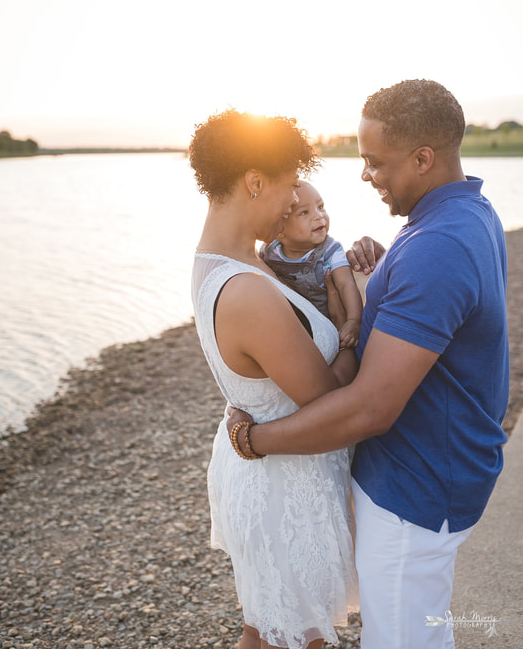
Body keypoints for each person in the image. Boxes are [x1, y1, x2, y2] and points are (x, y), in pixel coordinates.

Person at [227, 80, 510, 649]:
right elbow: (439, 306)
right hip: (437, 466)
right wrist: (383, 273)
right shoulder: (466, 214)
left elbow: (373, 407)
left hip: (419, 485)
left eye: (374, 162)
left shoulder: (438, 246)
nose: (365, 176)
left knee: (403, 639)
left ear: (423, 158)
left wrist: (257, 440)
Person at [189, 109, 359, 649]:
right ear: (255, 181)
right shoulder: (247, 289)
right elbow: (334, 402)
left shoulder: (241, 261)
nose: (293, 200)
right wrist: (357, 332)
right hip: (283, 488)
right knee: (293, 638)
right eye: (289, 186)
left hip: (275, 474)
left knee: (267, 635)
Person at [259, 181, 363, 347]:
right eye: (304, 212)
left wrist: (353, 320)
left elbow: (346, 285)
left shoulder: (331, 251)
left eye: (321, 206)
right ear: (280, 229)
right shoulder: (270, 251)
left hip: (326, 327)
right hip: (289, 328)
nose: (318, 215)